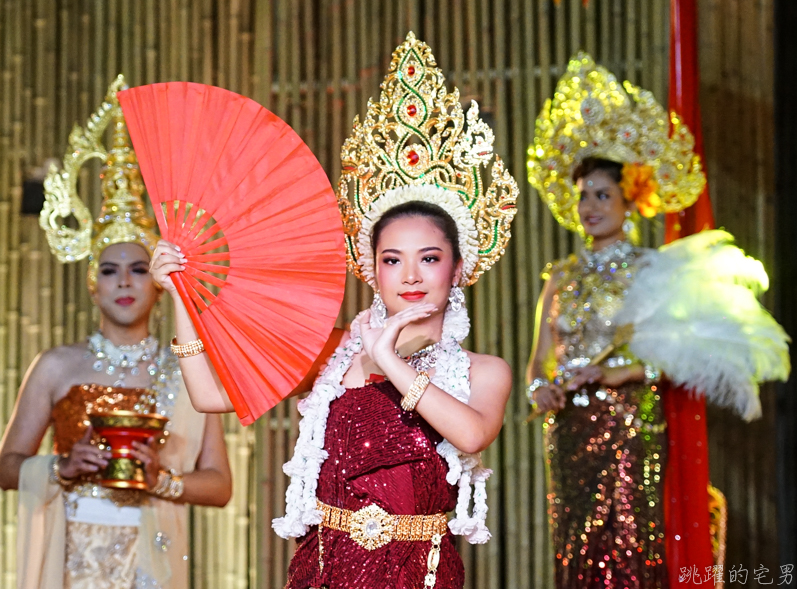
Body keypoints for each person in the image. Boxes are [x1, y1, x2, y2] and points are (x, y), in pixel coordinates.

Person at [149, 32, 518, 588]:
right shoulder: (330, 351)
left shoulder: (482, 372)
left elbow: (470, 435)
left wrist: (387, 361)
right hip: (325, 569)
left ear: (458, 267)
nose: (411, 275)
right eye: (393, 259)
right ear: (372, 270)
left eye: (430, 258)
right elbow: (209, 395)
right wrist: (180, 295)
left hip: (423, 574)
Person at [0, 77, 232, 589]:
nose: (124, 280)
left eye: (137, 268)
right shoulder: (56, 365)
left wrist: (161, 479)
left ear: (158, 281)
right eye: (109, 270)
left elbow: (219, 486)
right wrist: (60, 467)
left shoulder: (187, 370)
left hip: (152, 558)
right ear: (92, 285)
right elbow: (6, 466)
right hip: (68, 558)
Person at [525, 54, 708, 589]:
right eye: (583, 196)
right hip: (568, 427)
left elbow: (675, 356)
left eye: (602, 195)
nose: (589, 206)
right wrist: (541, 388)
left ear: (631, 200)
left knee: (630, 539)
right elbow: (540, 357)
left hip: (629, 421)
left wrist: (614, 376)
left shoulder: (651, 271)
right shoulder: (559, 276)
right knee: (574, 545)